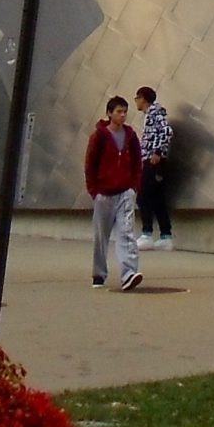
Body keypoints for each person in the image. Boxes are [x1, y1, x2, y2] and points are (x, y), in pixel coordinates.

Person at [83, 95, 143, 291]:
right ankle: (99, 273)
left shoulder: (130, 135)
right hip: (104, 193)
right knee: (101, 235)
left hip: (125, 192)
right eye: (119, 111)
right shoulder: (99, 136)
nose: (123, 115)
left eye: (125, 111)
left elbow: (137, 162)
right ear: (109, 113)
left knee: (126, 233)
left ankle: (129, 273)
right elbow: (90, 164)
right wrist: (94, 191)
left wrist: (134, 187)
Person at [133, 86, 174, 248]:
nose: (136, 101)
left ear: (143, 98)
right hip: (152, 160)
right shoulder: (153, 113)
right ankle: (165, 235)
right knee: (157, 198)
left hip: (152, 161)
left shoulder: (154, 113)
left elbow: (166, 131)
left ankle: (147, 233)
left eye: (137, 98)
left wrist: (157, 152)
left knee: (143, 195)